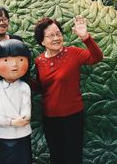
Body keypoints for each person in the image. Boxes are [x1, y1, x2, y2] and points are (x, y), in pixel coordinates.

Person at [33, 16, 103, 164]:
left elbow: (97, 57)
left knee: (73, 156)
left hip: (72, 115)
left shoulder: (73, 53)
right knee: (56, 156)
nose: (56, 38)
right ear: (42, 41)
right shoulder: (39, 61)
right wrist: (21, 77)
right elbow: (41, 88)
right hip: (50, 117)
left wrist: (85, 37)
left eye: (58, 33)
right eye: (51, 35)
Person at [0, 39, 32, 164]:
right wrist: (12, 122)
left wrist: (5, 121)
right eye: (6, 60)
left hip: (22, 136)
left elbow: (26, 115)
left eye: (20, 60)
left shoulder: (24, 87)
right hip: (1, 136)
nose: (14, 65)